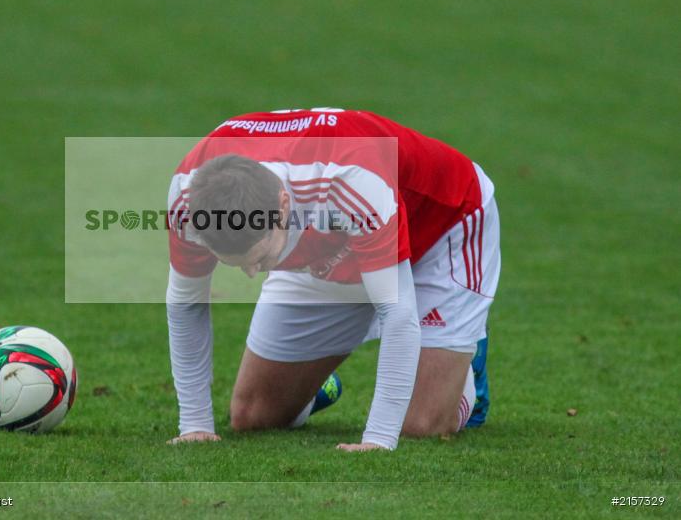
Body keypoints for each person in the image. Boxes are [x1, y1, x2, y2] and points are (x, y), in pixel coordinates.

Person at [165, 108, 500, 451]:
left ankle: (465, 362)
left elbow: (397, 312)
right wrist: (195, 424)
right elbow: (185, 304)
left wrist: (378, 441)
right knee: (255, 416)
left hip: (438, 227)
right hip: (329, 242)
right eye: (237, 265)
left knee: (419, 424)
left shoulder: (349, 178)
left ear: (282, 208)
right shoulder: (189, 200)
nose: (253, 273)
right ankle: (316, 386)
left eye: (261, 259)